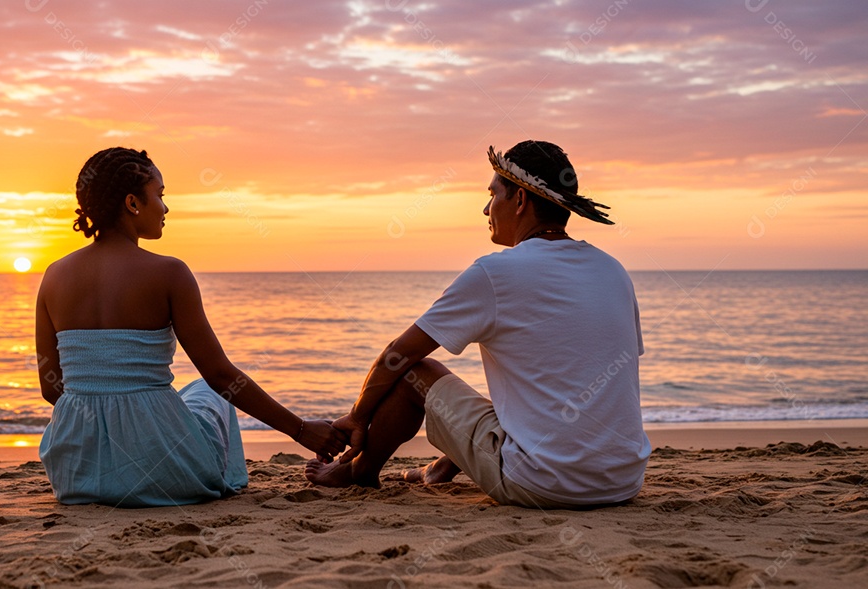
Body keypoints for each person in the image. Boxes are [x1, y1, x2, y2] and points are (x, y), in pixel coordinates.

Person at [306, 140, 651, 509]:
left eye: (492, 195)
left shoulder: (496, 272)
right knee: (535, 392)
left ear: (520, 200)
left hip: (541, 483)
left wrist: (357, 417)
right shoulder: (613, 270)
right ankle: (443, 465)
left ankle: (359, 470)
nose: (486, 208)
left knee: (413, 373)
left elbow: (397, 355)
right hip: (623, 480)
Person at [36, 147, 347, 507]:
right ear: (133, 203)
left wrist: (103, 416)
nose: (165, 208)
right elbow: (220, 376)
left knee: (182, 395)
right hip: (165, 472)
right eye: (160, 195)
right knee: (207, 392)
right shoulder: (169, 273)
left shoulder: (53, 276)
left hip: (77, 476)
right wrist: (301, 429)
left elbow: (52, 388)